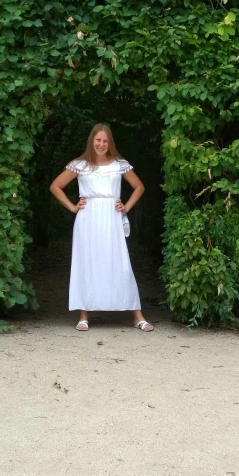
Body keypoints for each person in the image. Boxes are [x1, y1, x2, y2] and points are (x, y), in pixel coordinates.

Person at [49, 123, 154, 332]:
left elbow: (139, 186)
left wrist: (126, 207)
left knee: (120, 262)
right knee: (86, 262)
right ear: (92, 141)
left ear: (110, 143)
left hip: (112, 217)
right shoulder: (80, 165)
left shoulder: (119, 164)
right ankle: (83, 315)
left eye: (105, 141)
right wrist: (72, 207)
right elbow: (55, 186)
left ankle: (137, 315)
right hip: (87, 218)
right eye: (98, 140)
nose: (101, 144)